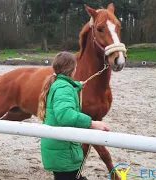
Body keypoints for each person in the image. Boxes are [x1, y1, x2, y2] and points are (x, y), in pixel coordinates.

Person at [37, 51, 110, 180]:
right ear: (73, 69)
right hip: (64, 153)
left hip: (60, 151)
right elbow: (65, 114)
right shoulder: (64, 88)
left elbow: (63, 98)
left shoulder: (60, 84)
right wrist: (92, 123)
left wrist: (76, 86)